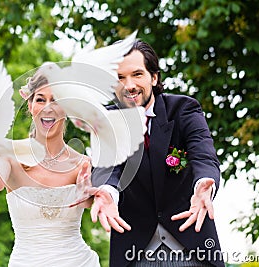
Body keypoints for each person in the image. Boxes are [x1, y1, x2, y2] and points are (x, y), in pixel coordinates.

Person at [90, 40, 225, 267]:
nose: (129, 85)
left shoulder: (183, 109)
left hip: (192, 250)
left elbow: (203, 154)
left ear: (154, 77)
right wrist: (106, 191)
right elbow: (107, 167)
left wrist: (204, 185)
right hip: (135, 254)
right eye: (120, 78)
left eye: (137, 74)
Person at [0, 65, 102, 267]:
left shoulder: (83, 163)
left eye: (56, 100)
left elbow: (90, 204)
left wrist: (86, 194)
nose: (48, 107)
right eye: (40, 99)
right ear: (30, 105)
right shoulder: (9, 154)